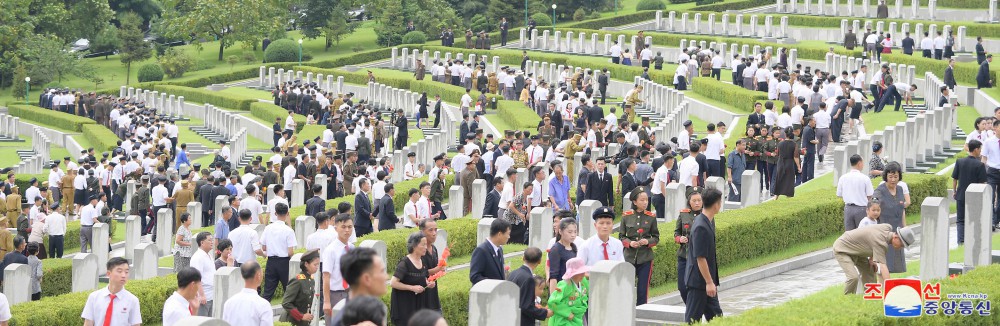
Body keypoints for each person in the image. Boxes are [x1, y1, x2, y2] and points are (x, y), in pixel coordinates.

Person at [834, 224, 914, 294]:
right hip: (842, 249)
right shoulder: (881, 242)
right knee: (853, 277)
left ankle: (871, 297)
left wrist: (871, 259)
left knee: (870, 270)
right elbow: (883, 267)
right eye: (902, 245)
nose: (901, 248)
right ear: (896, 237)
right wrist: (890, 289)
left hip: (857, 251)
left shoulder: (886, 228)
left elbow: (871, 240)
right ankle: (847, 299)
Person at [684, 188, 723, 323]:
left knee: (717, 318)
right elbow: (700, 258)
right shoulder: (701, 226)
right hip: (699, 283)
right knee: (692, 320)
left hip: (707, 282)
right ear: (716, 204)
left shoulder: (707, 221)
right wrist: (709, 282)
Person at [326, 247, 389, 326]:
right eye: (382, 271)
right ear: (367, 279)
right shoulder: (342, 321)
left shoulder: (375, 308)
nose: (386, 277)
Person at [621, 190, 659, 305]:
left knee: (643, 290)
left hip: (645, 258)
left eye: (646, 200)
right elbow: (622, 237)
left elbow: (656, 237)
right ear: (635, 201)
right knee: (627, 288)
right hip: (629, 258)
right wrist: (630, 243)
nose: (645, 202)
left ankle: (641, 312)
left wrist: (647, 241)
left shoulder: (651, 217)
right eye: (642, 200)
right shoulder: (626, 217)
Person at [389, 232, 436, 325]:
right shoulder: (404, 263)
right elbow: (393, 283)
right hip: (405, 306)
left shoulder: (422, 260)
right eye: (423, 245)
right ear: (414, 246)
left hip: (419, 304)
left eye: (426, 244)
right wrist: (412, 288)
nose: (426, 247)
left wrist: (428, 283)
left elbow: (423, 277)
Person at [82, 257, 142, 326]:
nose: (123, 275)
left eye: (126, 272)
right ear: (108, 273)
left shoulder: (132, 300)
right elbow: (88, 323)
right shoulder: (94, 297)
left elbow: (136, 324)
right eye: (119, 271)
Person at [873, 162, 908, 273]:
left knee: (896, 264)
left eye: (896, 176)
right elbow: (872, 209)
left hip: (898, 232)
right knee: (883, 265)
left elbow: (902, 209)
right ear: (886, 176)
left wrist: (904, 227)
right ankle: (883, 286)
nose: (893, 180)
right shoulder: (879, 191)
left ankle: (892, 285)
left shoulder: (900, 189)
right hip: (884, 232)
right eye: (890, 176)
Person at [261, 202, 297, 301]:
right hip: (284, 262)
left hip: (271, 262)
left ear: (275, 213)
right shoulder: (289, 231)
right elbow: (290, 252)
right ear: (287, 214)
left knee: (268, 292)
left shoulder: (268, 228)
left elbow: (264, 247)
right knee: (289, 291)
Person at [954, 139, 987, 243]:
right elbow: (982, 184)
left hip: (960, 196)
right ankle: (971, 241)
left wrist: (955, 191)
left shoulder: (959, 162)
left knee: (960, 221)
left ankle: (961, 242)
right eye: (980, 149)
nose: (981, 151)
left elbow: (955, 178)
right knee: (973, 219)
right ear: (976, 149)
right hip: (974, 197)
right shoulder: (980, 165)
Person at [509, 247, 552, 326]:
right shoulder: (529, 278)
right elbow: (526, 306)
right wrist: (545, 313)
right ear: (539, 261)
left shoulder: (513, 273)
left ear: (523, 258)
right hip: (523, 321)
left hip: (511, 317)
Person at [547, 257, 589, 326]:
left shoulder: (583, 282)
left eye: (583, 272)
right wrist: (567, 313)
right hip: (564, 321)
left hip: (577, 319)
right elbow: (553, 302)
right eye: (579, 272)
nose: (583, 274)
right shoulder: (564, 285)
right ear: (572, 273)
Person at [281, 249, 319, 326]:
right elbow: (286, 303)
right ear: (306, 264)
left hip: (303, 322)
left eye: (318, 264)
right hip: (291, 321)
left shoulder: (311, 280)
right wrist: (301, 316)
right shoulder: (297, 280)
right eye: (315, 265)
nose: (317, 267)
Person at [838, 154, 875, 231]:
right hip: (861, 209)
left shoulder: (843, 178)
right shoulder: (865, 178)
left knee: (850, 235)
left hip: (848, 209)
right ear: (859, 163)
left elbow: (839, 195)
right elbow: (870, 195)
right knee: (862, 234)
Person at [469, 218, 511, 284]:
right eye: (508, 234)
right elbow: (474, 276)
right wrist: (493, 284)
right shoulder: (481, 250)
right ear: (499, 234)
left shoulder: (499, 249)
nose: (509, 237)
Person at [418, 219, 443, 311]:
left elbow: (434, 272)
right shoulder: (418, 251)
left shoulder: (434, 248)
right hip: (422, 297)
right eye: (430, 230)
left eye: (436, 230)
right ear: (422, 232)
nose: (434, 233)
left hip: (433, 296)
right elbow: (420, 272)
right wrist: (437, 269)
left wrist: (440, 271)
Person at [548, 217, 579, 291]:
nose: (573, 235)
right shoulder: (556, 249)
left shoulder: (573, 247)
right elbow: (553, 277)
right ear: (560, 231)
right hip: (561, 290)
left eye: (575, 232)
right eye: (570, 232)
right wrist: (554, 299)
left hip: (572, 289)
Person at [189, 232, 215, 316]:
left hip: (211, 295)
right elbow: (196, 278)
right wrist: (202, 295)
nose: (212, 242)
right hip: (204, 296)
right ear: (202, 243)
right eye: (209, 240)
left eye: (212, 240)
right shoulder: (198, 257)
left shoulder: (209, 255)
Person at [771, 129, 800, 199]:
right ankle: (788, 195)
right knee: (789, 179)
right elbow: (796, 156)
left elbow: (778, 153)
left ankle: (776, 196)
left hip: (781, 162)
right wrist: (798, 167)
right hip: (789, 162)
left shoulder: (780, 143)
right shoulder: (794, 144)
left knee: (779, 178)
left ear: (785, 134)